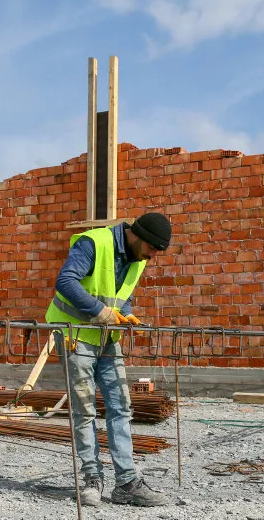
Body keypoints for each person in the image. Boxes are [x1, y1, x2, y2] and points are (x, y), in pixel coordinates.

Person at [45, 212, 172, 507]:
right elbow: (65, 282)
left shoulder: (137, 258)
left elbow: (119, 295)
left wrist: (124, 313)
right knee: (85, 409)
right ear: (137, 236)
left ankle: (127, 483)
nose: (153, 256)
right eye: (153, 248)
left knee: (120, 407)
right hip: (74, 334)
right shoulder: (94, 242)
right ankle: (92, 478)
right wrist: (99, 312)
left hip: (107, 338)